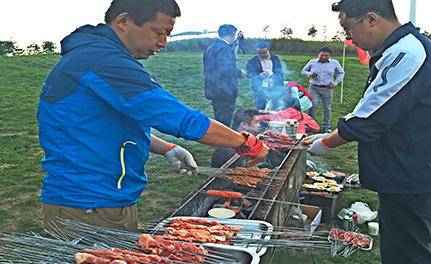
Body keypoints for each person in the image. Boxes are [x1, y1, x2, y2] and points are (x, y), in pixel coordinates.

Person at [38, 0, 268, 233]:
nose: (163, 43)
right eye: (159, 32)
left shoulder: (98, 57)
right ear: (123, 21)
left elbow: (106, 125)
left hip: (103, 200)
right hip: (88, 204)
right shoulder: (103, 61)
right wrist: (247, 143)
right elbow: (179, 119)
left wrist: (166, 148)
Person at [307, 1, 431, 264]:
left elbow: (372, 115)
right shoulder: (398, 49)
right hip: (409, 168)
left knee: (408, 256)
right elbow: (377, 105)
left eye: (347, 29)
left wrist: (326, 143)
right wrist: (329, 135)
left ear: (370, 19)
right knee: (398, 248)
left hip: (416, 174)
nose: (348, 39)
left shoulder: (408, 51)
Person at [203, 24, 247, 126]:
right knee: (225, 121)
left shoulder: (211, 47)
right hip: (225, 91)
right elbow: (225, 69)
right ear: (232, 34)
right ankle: (223, 140)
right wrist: (239, 73)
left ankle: (219, 138)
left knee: (219, 118)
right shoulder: (224, 48)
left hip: (214, 89)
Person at [301, 47, 345, 132]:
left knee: (327, 108)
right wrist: (310, 74)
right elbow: (303, 71)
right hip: (314, 87)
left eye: (326, 56)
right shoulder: (312, 62)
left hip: (327, 88)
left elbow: (341, 73)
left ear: (330, 56)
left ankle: (326, 126)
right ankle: (310, 125)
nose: (324, 57)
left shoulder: (334, 63)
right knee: (312, 105)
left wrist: (335, 83)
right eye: (322, 55)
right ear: (319, 54)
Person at [246, 41, 284, 110]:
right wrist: (260, 76)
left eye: (264, 52)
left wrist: (273, 75)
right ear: (256, 52)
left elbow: (280, 73)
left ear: (268, 50)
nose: (262, 55)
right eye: (259, 53)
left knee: (275, 107)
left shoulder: (275, 59)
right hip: (260, 88)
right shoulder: (252, 61)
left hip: (274, 86)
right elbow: (249, 74)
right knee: (261, 108)